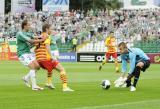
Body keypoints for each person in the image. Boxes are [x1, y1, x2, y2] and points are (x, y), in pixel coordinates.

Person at [35, 23, 74, 92]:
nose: (51, 30)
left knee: (50, 68)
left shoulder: (39, 36)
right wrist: (52, 56)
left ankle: (48, 82)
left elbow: (36, 47)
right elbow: (47, 47)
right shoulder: (47, 36)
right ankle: (65, 87)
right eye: (51, 29)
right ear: (47, 29)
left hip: (39, 59)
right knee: (62, 69)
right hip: (45, 58)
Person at [16, 20, 44, 91]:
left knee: (37, 66)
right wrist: (41, 40)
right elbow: (30, 41)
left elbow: (35, 37)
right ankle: (34, 86)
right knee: (32, 67)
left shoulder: (29, 33)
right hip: (22, 53)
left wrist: (42, 37)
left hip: (28, 53)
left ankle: (26, 78)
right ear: (24, 26)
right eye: (28, 25)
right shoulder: (20, 34)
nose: (30, 26)